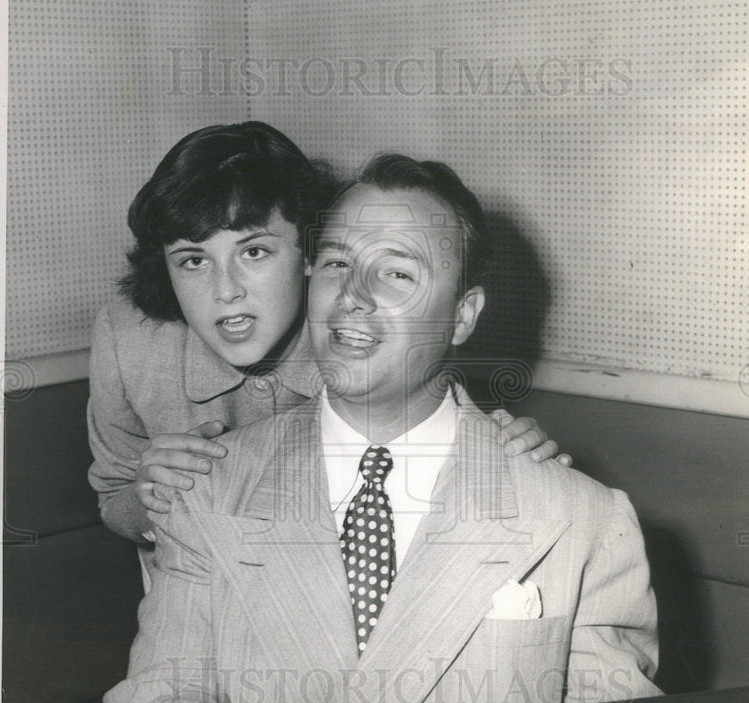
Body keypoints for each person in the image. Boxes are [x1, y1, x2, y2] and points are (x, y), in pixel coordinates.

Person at [104, 153, 660, 703]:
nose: (353, 297)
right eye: (338, 263)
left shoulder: (584, 519)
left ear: (462, 315)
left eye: (397, 274)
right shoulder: (208, 491)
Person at [87, 122, 566, 558]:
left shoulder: (360, 344)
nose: (225, 291)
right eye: (193, 261)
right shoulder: (129, 342)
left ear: (309, 256)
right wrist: (146, 495)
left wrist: (511, 450)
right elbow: (114, 500)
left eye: (254, 252)